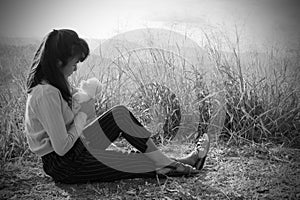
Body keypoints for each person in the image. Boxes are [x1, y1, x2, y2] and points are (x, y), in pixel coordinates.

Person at [24, 29, 210, 184]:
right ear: (58, 62)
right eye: (75, 62)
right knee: (130, 163)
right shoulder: (45, 93)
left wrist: (80, 104)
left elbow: (66, 126)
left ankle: (172, 162)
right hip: (66, 164)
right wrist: (82, 116)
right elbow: (62, 147)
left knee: (119, 114)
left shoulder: (55, 86)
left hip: (76, 148)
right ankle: (182, 163)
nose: (76, 68)